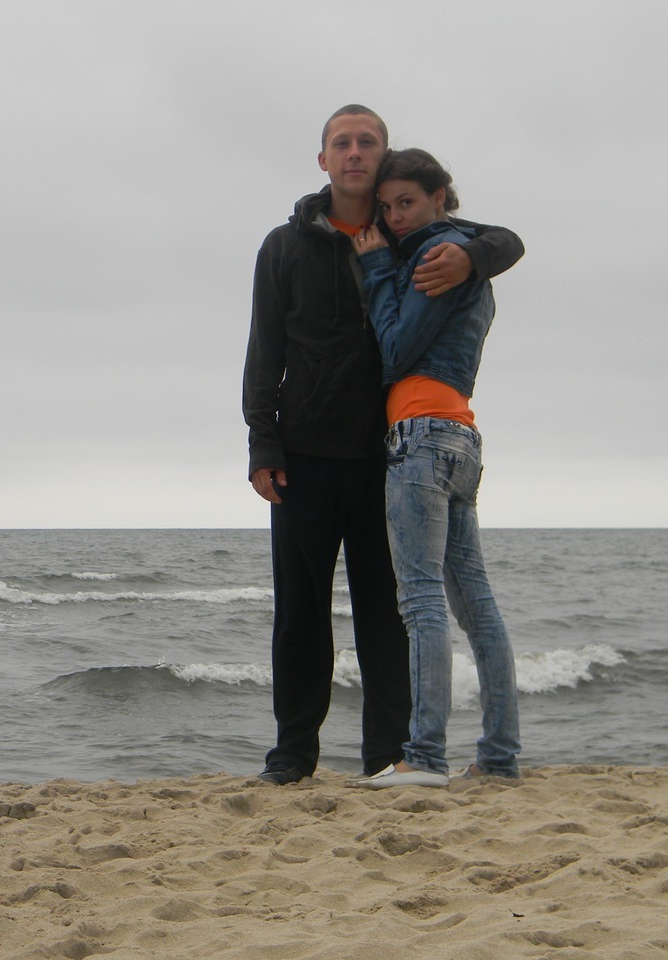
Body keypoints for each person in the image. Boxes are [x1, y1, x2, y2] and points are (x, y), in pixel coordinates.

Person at [243, 107, 524, 785]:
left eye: (367, 142)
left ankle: (387, 756)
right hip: (304, 454)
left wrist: (473, 257)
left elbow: (505, 240)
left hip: (388, 454)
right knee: (300, 613)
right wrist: (262, 441)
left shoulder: (406, 235)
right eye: (341, 143)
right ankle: (292, 756)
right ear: (323, 160)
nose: (354, 152)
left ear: (383, 155)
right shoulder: (285, 245)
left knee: (387, 615)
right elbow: (264, 348)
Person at [349, 148, 520, 788]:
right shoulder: (468, 254)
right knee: (477, 606)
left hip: (420, 435)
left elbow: (396, 350)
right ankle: (499, 759)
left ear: (439, 197)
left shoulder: (434, 256)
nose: (395, 217)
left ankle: (423, 757)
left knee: (421, 602)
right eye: (387, 207)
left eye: (407, 203)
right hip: (461, 438)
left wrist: (375, 269)